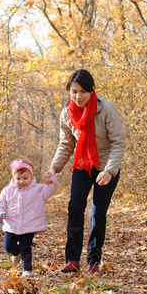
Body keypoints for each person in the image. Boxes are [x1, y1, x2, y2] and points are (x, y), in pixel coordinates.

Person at [44, 69, 126, 275]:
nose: (78, 96)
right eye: (74, 92)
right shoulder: (67, 113)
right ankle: (72, 260)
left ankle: (93, 260)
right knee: (75, 208)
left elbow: (118, 143)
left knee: (97, 212)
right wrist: (54, 167)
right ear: (69, 92)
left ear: (91, 91)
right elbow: (66, 144)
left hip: (105, 166)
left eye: (82, 91)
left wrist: (109, 171)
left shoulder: (106, 109)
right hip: (82, 165)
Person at [0, 159, 58, 276]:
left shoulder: (39, 190)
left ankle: (26, 269)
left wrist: (51, 178)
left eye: (25, 178)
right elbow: (0, 203)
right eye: (18, 179)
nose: (22, 181)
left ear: (31, 177)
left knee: (25, 247)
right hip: (11, 225)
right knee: (8, 246)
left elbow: (51, 189)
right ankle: (15, 253)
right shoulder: (7, 191)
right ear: (13, 178)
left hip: (29, 225)